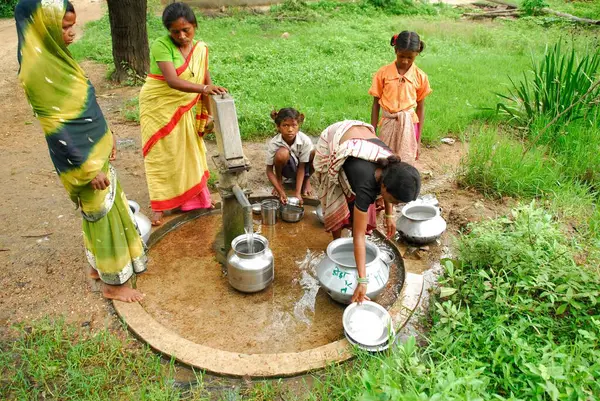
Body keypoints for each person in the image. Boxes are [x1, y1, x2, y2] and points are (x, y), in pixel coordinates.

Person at [15, 0, 146, 302]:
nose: (72, 33)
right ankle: (112, 285)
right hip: (81, 160)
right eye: (64, 27)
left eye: (71, 25)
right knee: (102, 213)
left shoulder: (56, 58)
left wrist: (108, 134)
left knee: (104, 208)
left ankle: (97, 268)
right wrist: (89, 170)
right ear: (43, 28)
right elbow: (56, 128)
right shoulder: (37, 70)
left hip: (93, 150)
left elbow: (84, 106)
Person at [139, 2, 227, 226]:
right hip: (158, 105)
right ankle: (159, 204)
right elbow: (172, 80)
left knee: (188, 151)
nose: (181, 35)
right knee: (162, 156)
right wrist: (204, 89)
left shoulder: (201, 49)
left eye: (186, 30)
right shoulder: (161, 45)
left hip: (186, 107)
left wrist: (208, 114)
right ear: (168, 31)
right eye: (175, 31)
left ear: (194, 26)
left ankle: (192, 200)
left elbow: (205, 79)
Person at [314, 121, 420, 303]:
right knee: (339, 202)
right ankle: (337, 244)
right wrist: (363, 280)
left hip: (360, 139)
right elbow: (359, 236)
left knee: (362, 208)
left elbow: (390, 190)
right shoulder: (365, 185)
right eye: (394, 201)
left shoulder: (392, 166)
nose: (394, 204)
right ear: (383, 187)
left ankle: (344, 242)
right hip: (334, 137)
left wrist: (389, 215)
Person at [369, 31, 432, 164]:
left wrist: (418, 140)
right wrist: (372, 133)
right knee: (384, 161)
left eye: (410, 57)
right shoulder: (383, 73)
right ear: (395, 50)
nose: (405, 61)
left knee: (405, 163)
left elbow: (420, 108)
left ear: (417, 53)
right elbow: (375, 104)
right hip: (388, 124)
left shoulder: (420, 76)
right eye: (401, 56)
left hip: (409, 126)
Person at [265, 108, 315, 205]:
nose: (290, 129)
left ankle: (306, 180)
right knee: (282, 153)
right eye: (285, 125)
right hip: (287, 170)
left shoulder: (305, 141)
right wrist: (280, 191)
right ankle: (279, 182)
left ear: (298, 126)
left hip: (303, 169)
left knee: (315, 153)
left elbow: (302, 167)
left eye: (294, 125)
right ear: (278, 127)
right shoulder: (274, 143)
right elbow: (269, 170)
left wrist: (297, 193)